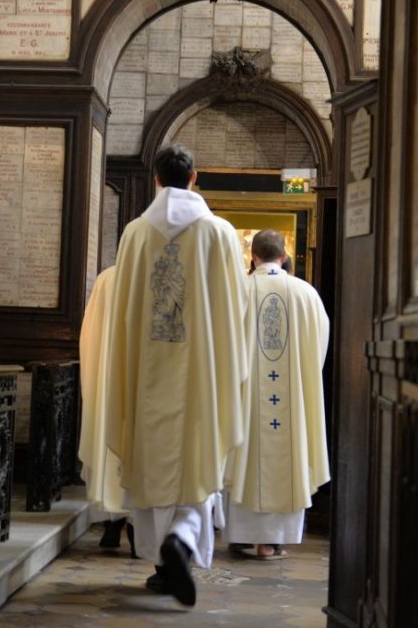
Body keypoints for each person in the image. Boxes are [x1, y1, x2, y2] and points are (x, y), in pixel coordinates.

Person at [103, 144, 250, 606]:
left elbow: (123, 312)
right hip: (202, 374)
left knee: (150, 464)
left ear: (156, 180)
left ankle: (164, 566)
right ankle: (183, 541)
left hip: (146, 374)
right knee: (198, 460)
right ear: (195, 177)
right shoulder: (220, 233)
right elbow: (236, 307)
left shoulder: (135, 234)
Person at [225, 230, 330, 560]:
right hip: (291, 399)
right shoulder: (305, 294)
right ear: (283, 256)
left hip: (245, 396)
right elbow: (319, 346)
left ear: (252, 256)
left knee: (243, 456)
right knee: (290, 457)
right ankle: (270, 542)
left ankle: (240, 535)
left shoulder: (238, 291)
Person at [77, 264, 135, 556]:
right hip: (140, 383)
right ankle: (137, 530)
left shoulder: (106, 278)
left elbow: (90, 333)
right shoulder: (155, 273)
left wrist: (94, 376)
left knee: (109, 446)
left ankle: (113, 524)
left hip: (108, 381)